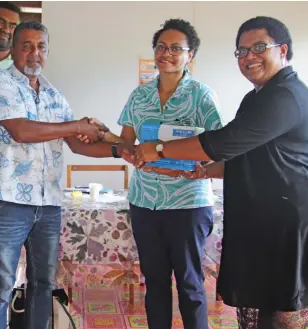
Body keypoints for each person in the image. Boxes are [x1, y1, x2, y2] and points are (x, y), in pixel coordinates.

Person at [132, 16, 308, 328]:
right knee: (262, 309)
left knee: (286, 313)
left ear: (283, 50)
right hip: (263, 219)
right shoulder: (257, 98)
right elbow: (245, 155)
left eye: (259, 47)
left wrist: (159, 149)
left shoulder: (285, 95)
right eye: (242, 51)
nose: (249, 56)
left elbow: (224, 141)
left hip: (290, 222)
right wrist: (205, 171)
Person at [0, 21, 132, 329]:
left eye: (41, 47)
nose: (35, 54)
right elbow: (21, 131)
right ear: (13, 49)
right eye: (27, 46)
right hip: (9, 203)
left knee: (43, 284)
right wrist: (77, 125)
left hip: (49, 204)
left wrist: (121, 151)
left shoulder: (53, 94)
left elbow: (77, 144)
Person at [93, 18, 222, 329]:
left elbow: (216, 145)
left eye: (176, 48)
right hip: (145, 202)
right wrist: (118, 145)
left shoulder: (202, 95)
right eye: (161, 47)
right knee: (155, 283)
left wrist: (179, 156)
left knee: (190, 285)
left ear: (190, 55)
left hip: (188, 202)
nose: (167, 53)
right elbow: (126, 140)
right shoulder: (139, 96)